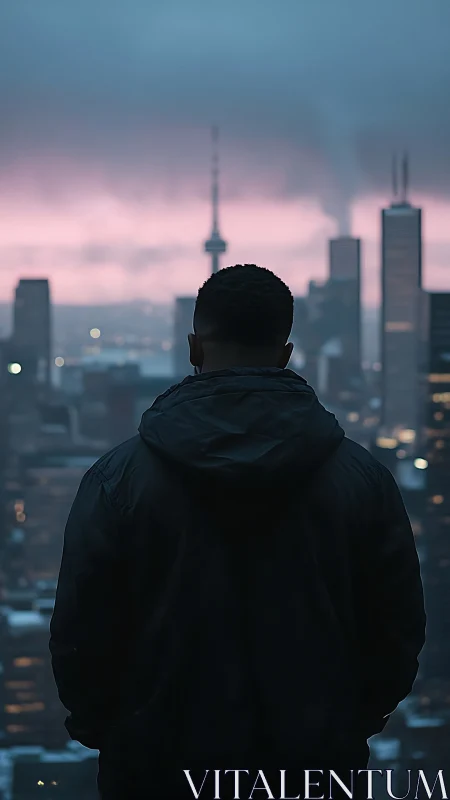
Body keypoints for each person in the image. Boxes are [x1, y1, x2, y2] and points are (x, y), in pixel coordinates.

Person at [50, 264, 426, 800]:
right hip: (313, 772)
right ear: (286, 353)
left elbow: (80, 634)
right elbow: (397, 633)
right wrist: (340, 726)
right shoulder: (362, 481)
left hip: (157, 770)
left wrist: (116, 732)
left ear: (193, 347)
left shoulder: (118, 480)